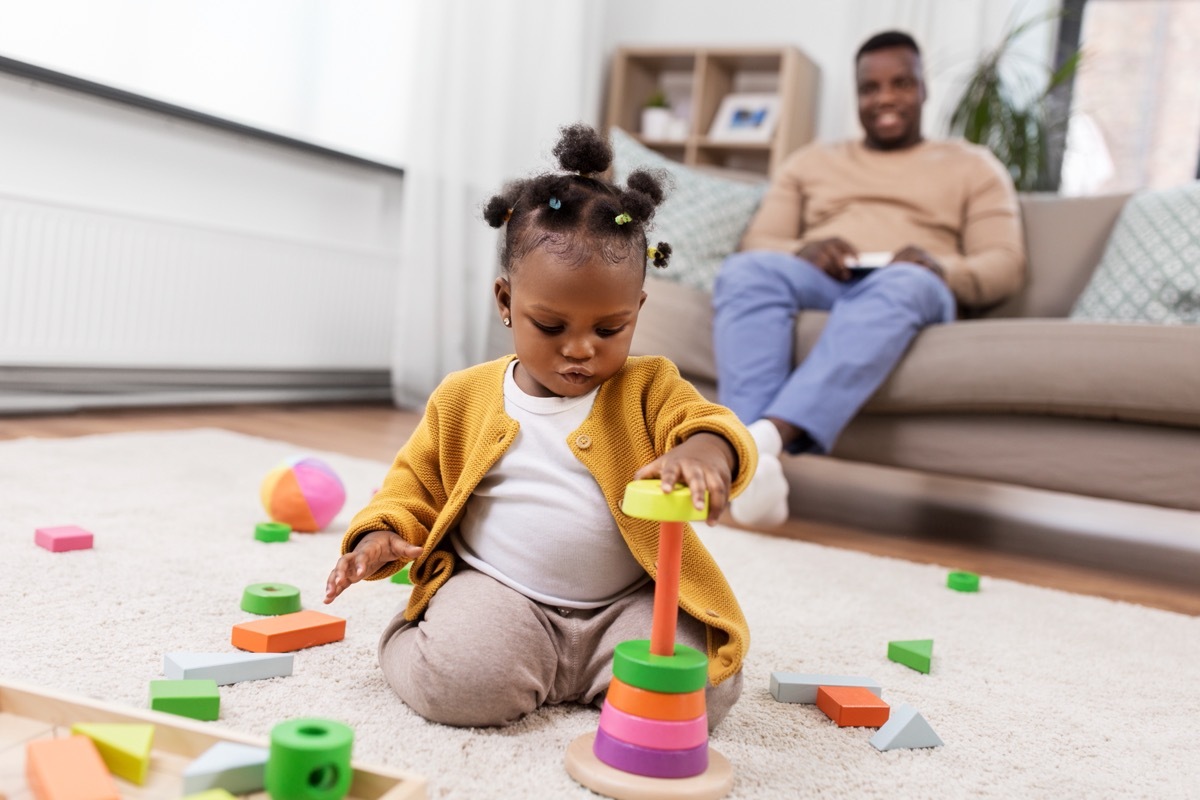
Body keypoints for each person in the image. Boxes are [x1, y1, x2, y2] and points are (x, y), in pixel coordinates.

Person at [324, 124, 756, 730]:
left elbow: (704, 421)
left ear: (637, 310)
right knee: (463, 683)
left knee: (697, 695)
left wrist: (708, 453)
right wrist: (377, 538)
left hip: (625, 606)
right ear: (505, 302)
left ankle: (581, 677)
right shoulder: (464, 397)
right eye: (551, 327)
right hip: (502, 595)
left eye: (609, 330)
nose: (580, 350)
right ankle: (416, 644)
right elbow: (412, 485)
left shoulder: (650, 385)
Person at [713, 30, 1026, 528]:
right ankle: (757, 473)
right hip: (825, 280)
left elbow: (1004, 264)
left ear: (924, 90)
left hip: (913, 285)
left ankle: (754, 445)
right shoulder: (811, 161)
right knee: (745, 271)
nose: (885, 98)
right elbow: (758, 244)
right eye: (870, 87)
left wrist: (937, 266)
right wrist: (804, 251)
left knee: (905, 283)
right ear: (856, 96)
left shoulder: (974, 166)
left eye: (901, 83)